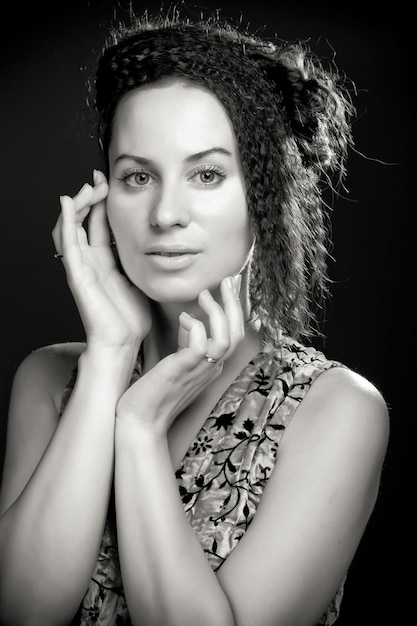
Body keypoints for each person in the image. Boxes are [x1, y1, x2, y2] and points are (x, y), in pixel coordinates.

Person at [0, 7, 389, 626]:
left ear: (262, 197)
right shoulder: (50, 383)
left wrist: (140, 428)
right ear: (105, 200)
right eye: (137, 177)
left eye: (207, 174)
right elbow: (22, 611)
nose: (165, 213)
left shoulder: (336, 409)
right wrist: (109, 360)